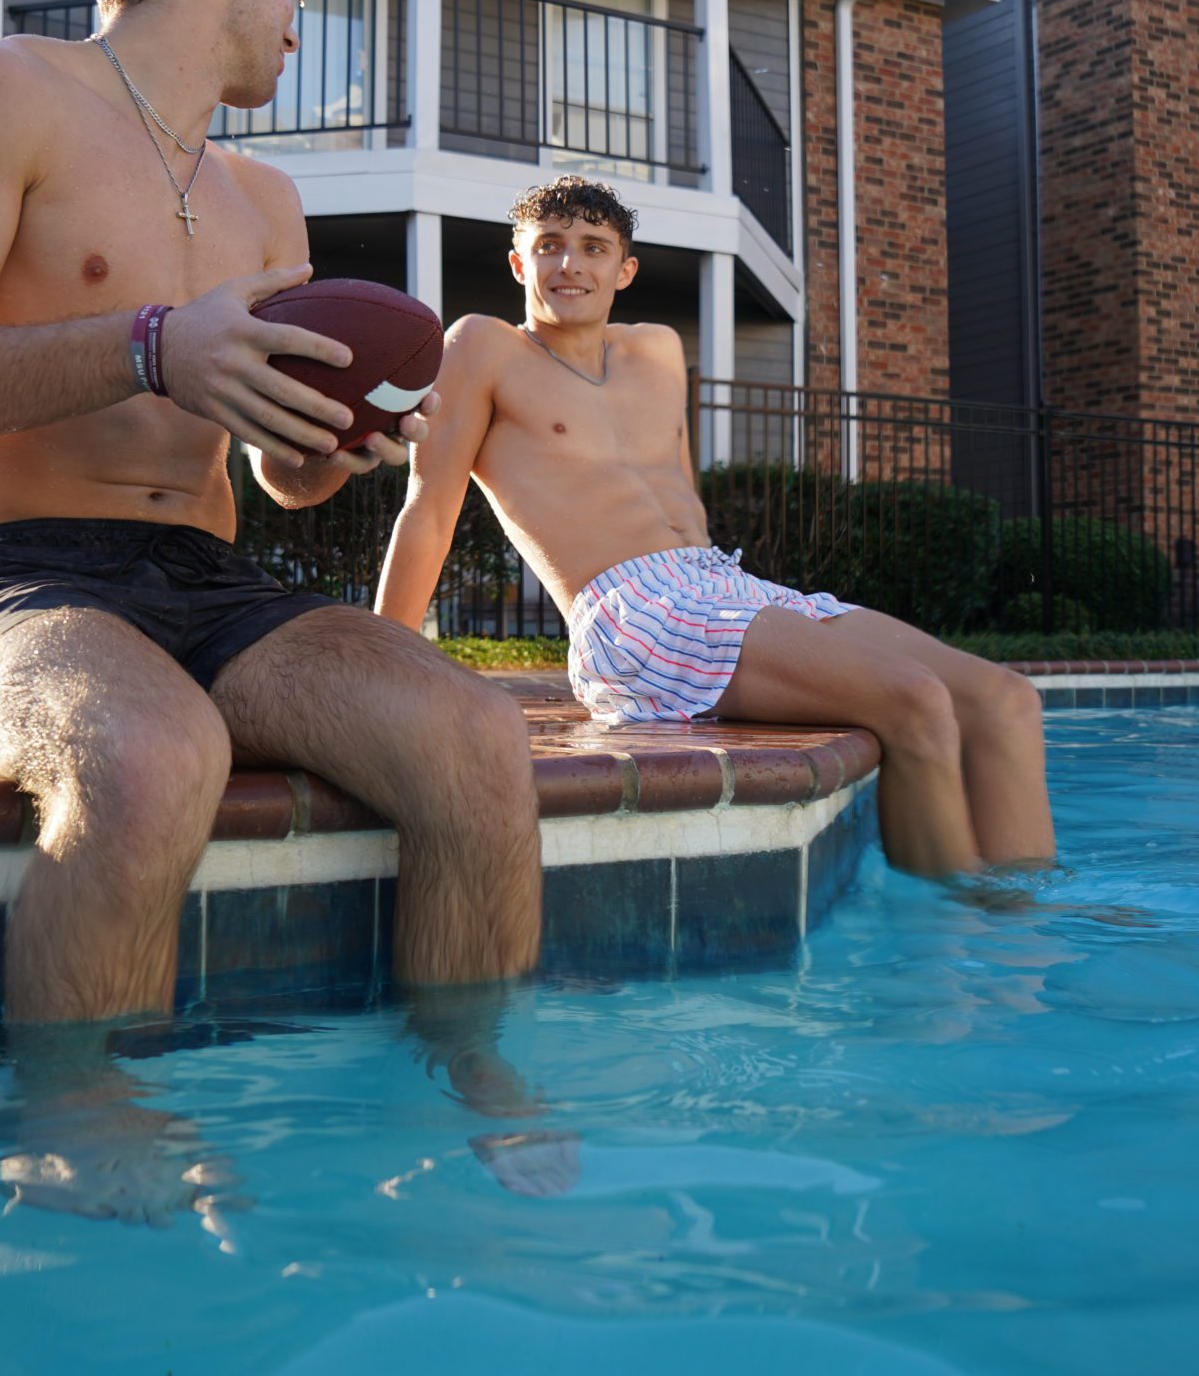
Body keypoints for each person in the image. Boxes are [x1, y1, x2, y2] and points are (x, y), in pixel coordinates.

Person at [0, 0, 545, 1032]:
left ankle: (460, 1108)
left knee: (481, 737)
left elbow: (282, 480)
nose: (297, 13)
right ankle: (79, 1146)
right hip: (24, 582)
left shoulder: (266, 202)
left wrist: (331, 446)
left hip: (214, 585)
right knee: (151, 755)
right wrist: (149, 346)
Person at [375, 176, 1054, 876]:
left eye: (593, 247)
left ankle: (1028, 928)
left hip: (718, 583)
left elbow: (681, 501)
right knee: (916, 702)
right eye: (548, 246)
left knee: (1006, 699)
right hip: (631, 612)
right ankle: (953, 941)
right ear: (520, 264)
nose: (569, 264)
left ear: (624, 269)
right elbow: (427, 512)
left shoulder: (659, 351)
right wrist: (382, 675)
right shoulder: (484, 347)